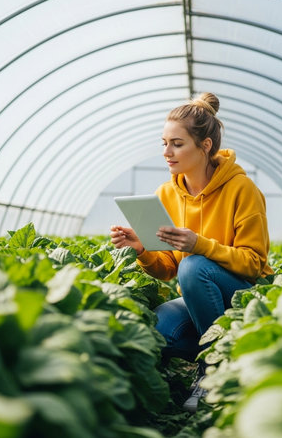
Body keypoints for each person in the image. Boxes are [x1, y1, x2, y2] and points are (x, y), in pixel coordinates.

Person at [110, 92, 273, 412]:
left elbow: (254, 265)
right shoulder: (166, 193)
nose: (167, 152)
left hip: (244, 294)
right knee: (160, 330)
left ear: (205, 146)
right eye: (164, 143)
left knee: (194, 267)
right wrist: (143, 250)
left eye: (177, 144)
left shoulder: (242, 189)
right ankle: (235, 348)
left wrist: (199, 245)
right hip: (199, 295)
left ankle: (213, 370)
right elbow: (169, 267)